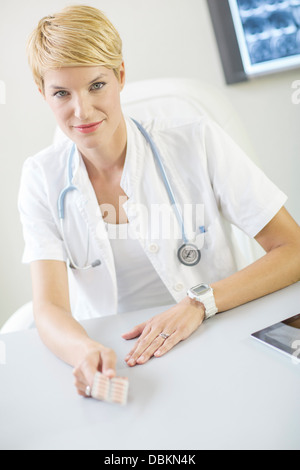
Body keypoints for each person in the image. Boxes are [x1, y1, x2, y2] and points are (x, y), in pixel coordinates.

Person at [20, 5, 300, 397]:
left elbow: (294, 250)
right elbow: (48, 308)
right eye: (62, 93)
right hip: (120, 358)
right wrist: (84, 351)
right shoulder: (40, 178)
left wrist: (199, 303)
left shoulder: (195, 141)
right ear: (43, 94)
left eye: (96, 85)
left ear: (120, 75)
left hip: (213, 334)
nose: (81, 110)